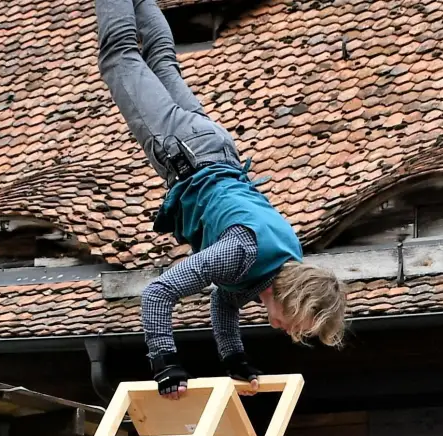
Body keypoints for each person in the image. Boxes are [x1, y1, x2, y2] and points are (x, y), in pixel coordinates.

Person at [94, 0, 346, 398]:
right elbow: (159, 293)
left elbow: (225, 305)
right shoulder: (242, 252)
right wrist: (165, 363)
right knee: (118, 57)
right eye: (298, 325)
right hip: (184, 150)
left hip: (213, 145)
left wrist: (234, 360)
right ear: (297, 300)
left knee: (162, 63)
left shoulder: (275, 265)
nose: (288, 332)